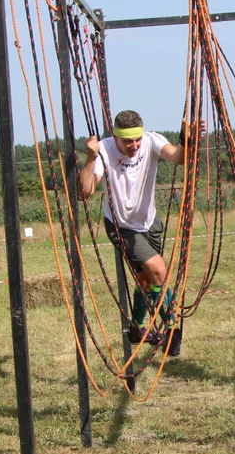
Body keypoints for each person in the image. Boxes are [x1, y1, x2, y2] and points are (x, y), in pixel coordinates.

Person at [79, 110, 191, 357]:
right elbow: (84, 191)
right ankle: (172, 328)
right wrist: (89, 157)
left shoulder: (151, 140)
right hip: (121, 225)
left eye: (137, 139)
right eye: (128, 141)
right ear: (116, 137)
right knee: (159, 271)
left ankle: (137, 326)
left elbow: (178, 157)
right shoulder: (104, 150)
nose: (135, 145)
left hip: (148, 222)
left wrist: (186, 139)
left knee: (146, 277)